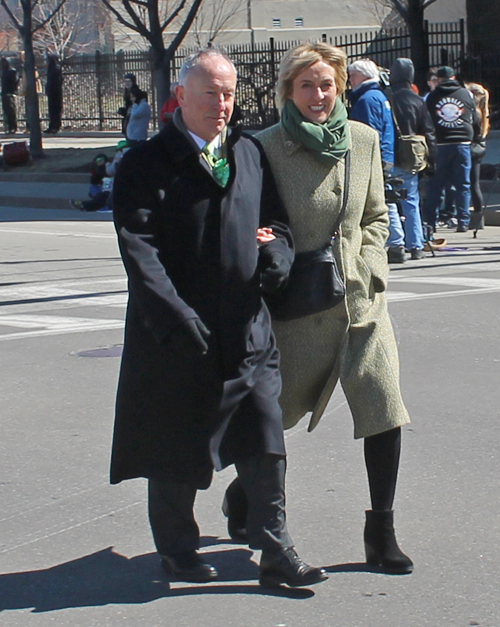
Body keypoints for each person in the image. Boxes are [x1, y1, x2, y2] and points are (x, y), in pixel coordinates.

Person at [110, 48, 327, 588]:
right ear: (181, 96)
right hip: (181, 333)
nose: (222, 104)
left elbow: (274, 222)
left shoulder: (248, 152)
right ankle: (179, 549)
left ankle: (277, 550)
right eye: (210, 93)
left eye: (229, 93)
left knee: (265, 434)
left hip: (248, 325)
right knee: (176, 446)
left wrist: (275, 255)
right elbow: (140, 249)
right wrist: (175, 317)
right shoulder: (145, 164)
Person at [223, 42, 413, 575]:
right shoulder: (263, 147)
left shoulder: (363, 139)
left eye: (327, 84)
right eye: (306, 85)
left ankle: (382, 532)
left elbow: (375, 215)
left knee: (383, 408)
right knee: (273, 420)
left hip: (360, 305)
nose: (318, 95)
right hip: (298, 307)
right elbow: (252, 220)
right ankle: (243, 494)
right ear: (289, 90)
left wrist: (371, 264)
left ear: (340, 88)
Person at [347, 58, 406, 264]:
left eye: (353, 75)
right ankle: (397, 242)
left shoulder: (366, 99)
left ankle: (395, 242)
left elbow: (366, 133)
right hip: (385, 154)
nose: (350, 80)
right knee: (384, 199)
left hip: (375, 157)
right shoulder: (379, 96)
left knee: (379, 201)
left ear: (363, 76)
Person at [423, 66, 481, 233]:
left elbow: (427, 121)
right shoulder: (465, 94)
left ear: (439, 79)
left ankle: (430, 223)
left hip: (440, 144)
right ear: (454, 77)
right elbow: (475, 117)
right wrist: (475, 138)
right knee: (463, 184)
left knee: (435, 185)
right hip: (462, 143)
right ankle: (463, 220)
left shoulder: (432, 96)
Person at [388, 58, 436, 259]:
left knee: (389, 201)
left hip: (390, 156)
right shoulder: (417, 100)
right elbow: (429, 132)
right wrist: (431, 160)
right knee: (412, 200)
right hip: (412, 158)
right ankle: (416, 245)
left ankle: (396, 243)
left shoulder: (386, 97)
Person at [466, 82, 490, 235]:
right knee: (475, 183)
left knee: (472, 183)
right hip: (480, 149)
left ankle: (474, 215)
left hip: (472, 148)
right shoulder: (484, 112)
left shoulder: (474, 112)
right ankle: (478, 216)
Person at [44, 54, 63, 134]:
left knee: (56, 110)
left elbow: (60, 80)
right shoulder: (50, 69)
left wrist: (55, 87)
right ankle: (51, 126)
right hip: (51, 92)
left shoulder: (56, 69)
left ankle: (56, 126)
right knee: (51, 110)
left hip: (56, 92)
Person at [1, 57, 19, 134]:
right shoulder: (3, 72)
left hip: (10, 93)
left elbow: (16, 82)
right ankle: (8, 126)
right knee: (6, 111)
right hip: (4, 93)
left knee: (11, 111)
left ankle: (13, 127)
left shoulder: (12, 71)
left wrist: (13, 91)